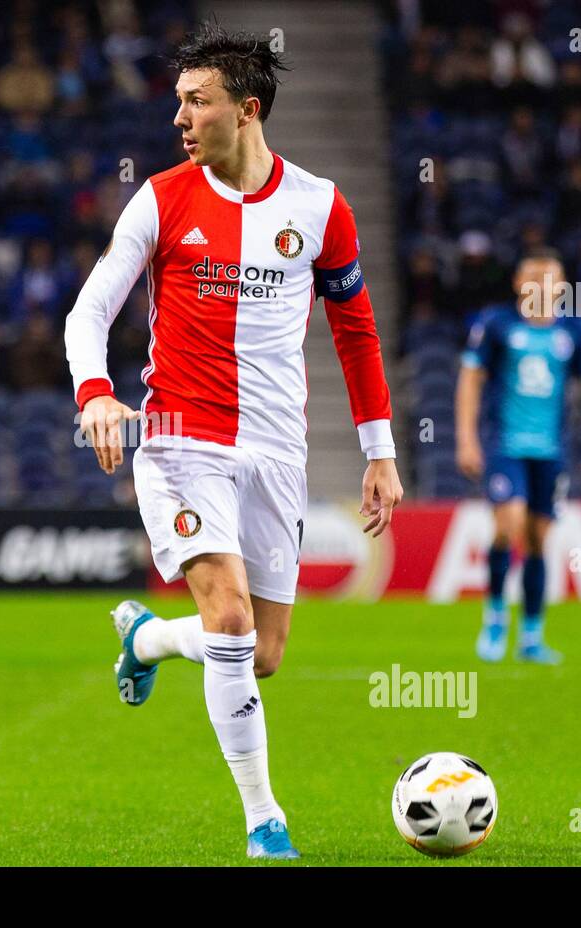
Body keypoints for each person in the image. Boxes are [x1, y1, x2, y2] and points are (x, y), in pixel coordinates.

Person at [63, 21, 401, 860]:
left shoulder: (321, 206)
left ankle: (145, 639)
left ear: (246, 111)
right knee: (230, 615)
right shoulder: (161, 199)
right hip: (180, 443)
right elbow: (90, 309)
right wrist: (98, 392)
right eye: (178, 101)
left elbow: (356, 330)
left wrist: (380, 450)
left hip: (277, 454)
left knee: (264, 653)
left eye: (196, 102)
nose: (179, 118)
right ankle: (264, 821)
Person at [455, 251, 581, 665]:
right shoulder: (496, 325)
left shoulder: (574, 331)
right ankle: (494, 617)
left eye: (551, 279)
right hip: (505, 446)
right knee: (509, 523)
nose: (542, 286)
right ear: (518, 284)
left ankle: (532, 636)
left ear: (562, 288)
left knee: (539, 538)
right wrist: (467, 438)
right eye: (534, 278)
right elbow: (470, 380)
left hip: (551, 451)